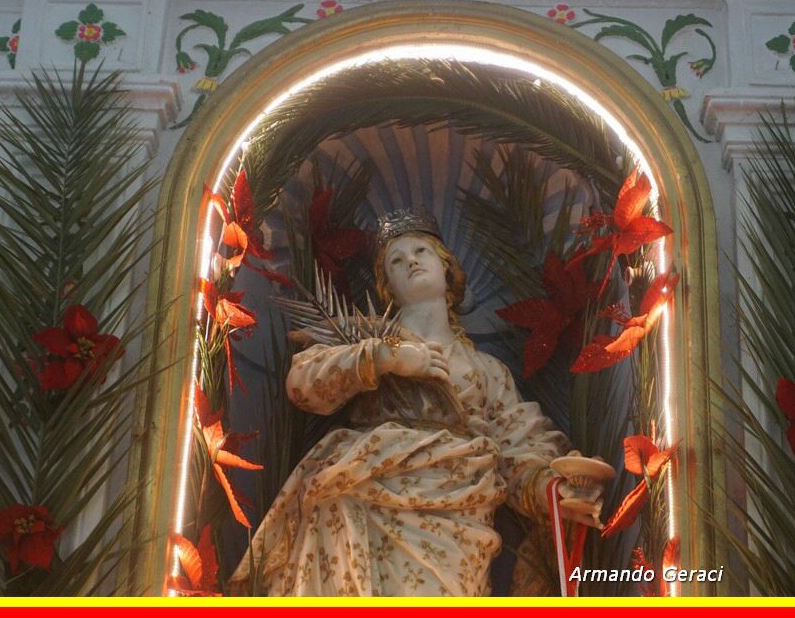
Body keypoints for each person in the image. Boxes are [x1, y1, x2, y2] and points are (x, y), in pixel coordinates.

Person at [228, 208, 603, 596]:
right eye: (396, 259)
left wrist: (553, 491)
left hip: (456, 520)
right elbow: (304, 384)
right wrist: (383, 358)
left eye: (421, 251)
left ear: (446, 268)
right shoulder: (363, 339)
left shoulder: (486, 370)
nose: (410, 261)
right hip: (358, 497)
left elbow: (520, 446)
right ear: (387, 285)